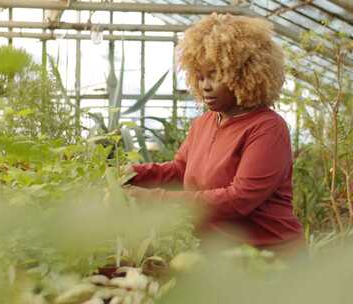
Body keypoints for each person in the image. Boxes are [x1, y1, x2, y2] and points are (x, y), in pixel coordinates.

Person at [126, 13, 303, 255]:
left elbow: (239, 199)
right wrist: (131, 174)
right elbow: (180, 171)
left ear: (244, 75)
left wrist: (151, 199)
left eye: (215, 75)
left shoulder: (267, 128)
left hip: (268, 257)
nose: (205, 86)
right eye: (200, 77)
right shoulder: (204, 122)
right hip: (219, 255)